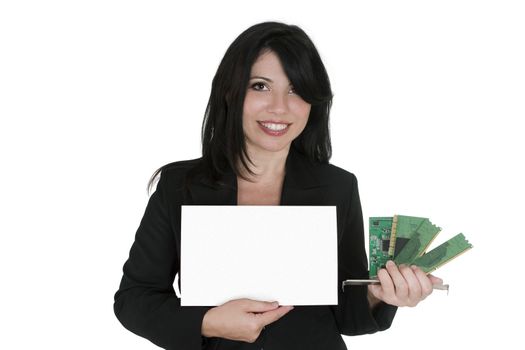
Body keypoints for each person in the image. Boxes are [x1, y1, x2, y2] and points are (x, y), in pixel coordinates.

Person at [113, 21, 443, 350]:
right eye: (260, 86)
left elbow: (348, 316)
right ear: (231, 91)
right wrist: (208, 321)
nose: (279, 108)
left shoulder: (337, 187)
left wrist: (379, 295)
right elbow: (134, 299)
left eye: (296, 89)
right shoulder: (180, 187)